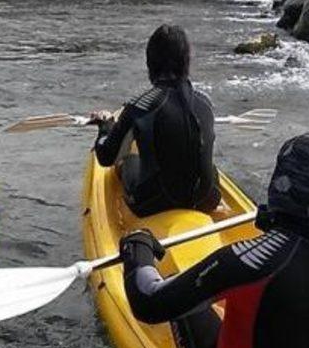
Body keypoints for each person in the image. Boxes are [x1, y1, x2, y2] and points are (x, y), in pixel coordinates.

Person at [119, 135, 309, 348]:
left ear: (278, 182)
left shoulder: (248, 261)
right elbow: (306, 266)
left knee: (176, 283)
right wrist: (278, 223)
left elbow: (148, 302)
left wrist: (138, 247)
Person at [90, 24, 220, 217]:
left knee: (128, 161)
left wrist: (105, 126)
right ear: (186, 61)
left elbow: (106, 157)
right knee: (212, 167)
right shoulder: (205, 102)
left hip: (153, 204)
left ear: (150, 62)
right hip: (206, 200)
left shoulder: (140, 105)